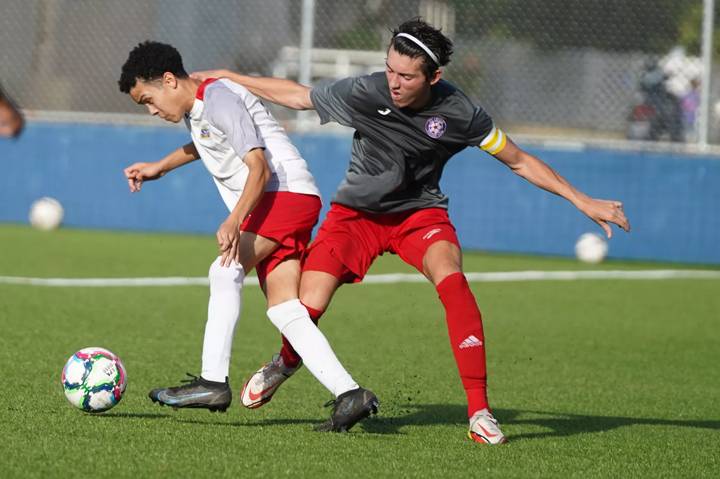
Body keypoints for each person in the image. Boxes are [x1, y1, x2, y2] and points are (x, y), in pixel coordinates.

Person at [193, 18, 631, 445]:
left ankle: (479, 411)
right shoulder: (367, 90)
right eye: (390, 70)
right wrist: (232, 76)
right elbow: (300, 96)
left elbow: (518, 160)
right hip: (355, 218)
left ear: (434, 76)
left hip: (419, 217)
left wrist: (581, 199)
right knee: (305, 309)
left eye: (406, 75)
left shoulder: (461, 113)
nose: (394, 82)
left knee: (454, 281)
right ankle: (285, 363)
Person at [118, 41, 378, 432]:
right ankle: (350, 394)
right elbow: (204, 142)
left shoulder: (218, 98)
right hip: (287, 200)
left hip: (283, 196)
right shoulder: (200, 103)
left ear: (169, 81)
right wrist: (160, 167)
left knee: (224, 268)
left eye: (147, 100)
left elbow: (259, 167)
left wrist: (235, 219)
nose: (152, 110)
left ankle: (212, 382)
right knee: (284, 310)